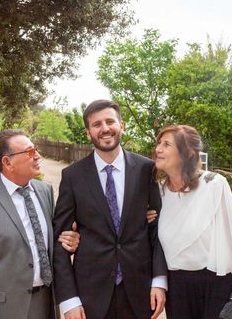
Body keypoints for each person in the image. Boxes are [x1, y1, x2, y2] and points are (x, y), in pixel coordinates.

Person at [52, 99, 168, 319]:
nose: (104, 128)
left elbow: (158, 230)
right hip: (89, 296)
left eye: (109, 121)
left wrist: (159, 280)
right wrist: (68, 299)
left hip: (140, 292)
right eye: (96, 124)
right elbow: (60, 241)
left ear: (121, 125)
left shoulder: (146, 170)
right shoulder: (72, 176)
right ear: (88, 132)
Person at [0, 129, 80, 319]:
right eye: (30, 152)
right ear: (7, 162)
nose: (38, 156)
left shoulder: (44, 191)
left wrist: (69, 243)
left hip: (47, 304)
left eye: (36, 150)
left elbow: (48, 242)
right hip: (6, 310)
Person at [153, 125, 232, 319]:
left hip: (216, 285)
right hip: (177, 289)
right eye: (159, 143)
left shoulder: (213, 184)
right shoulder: (158, 194)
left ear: (187, 153)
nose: (158, 149)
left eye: (166, 144)